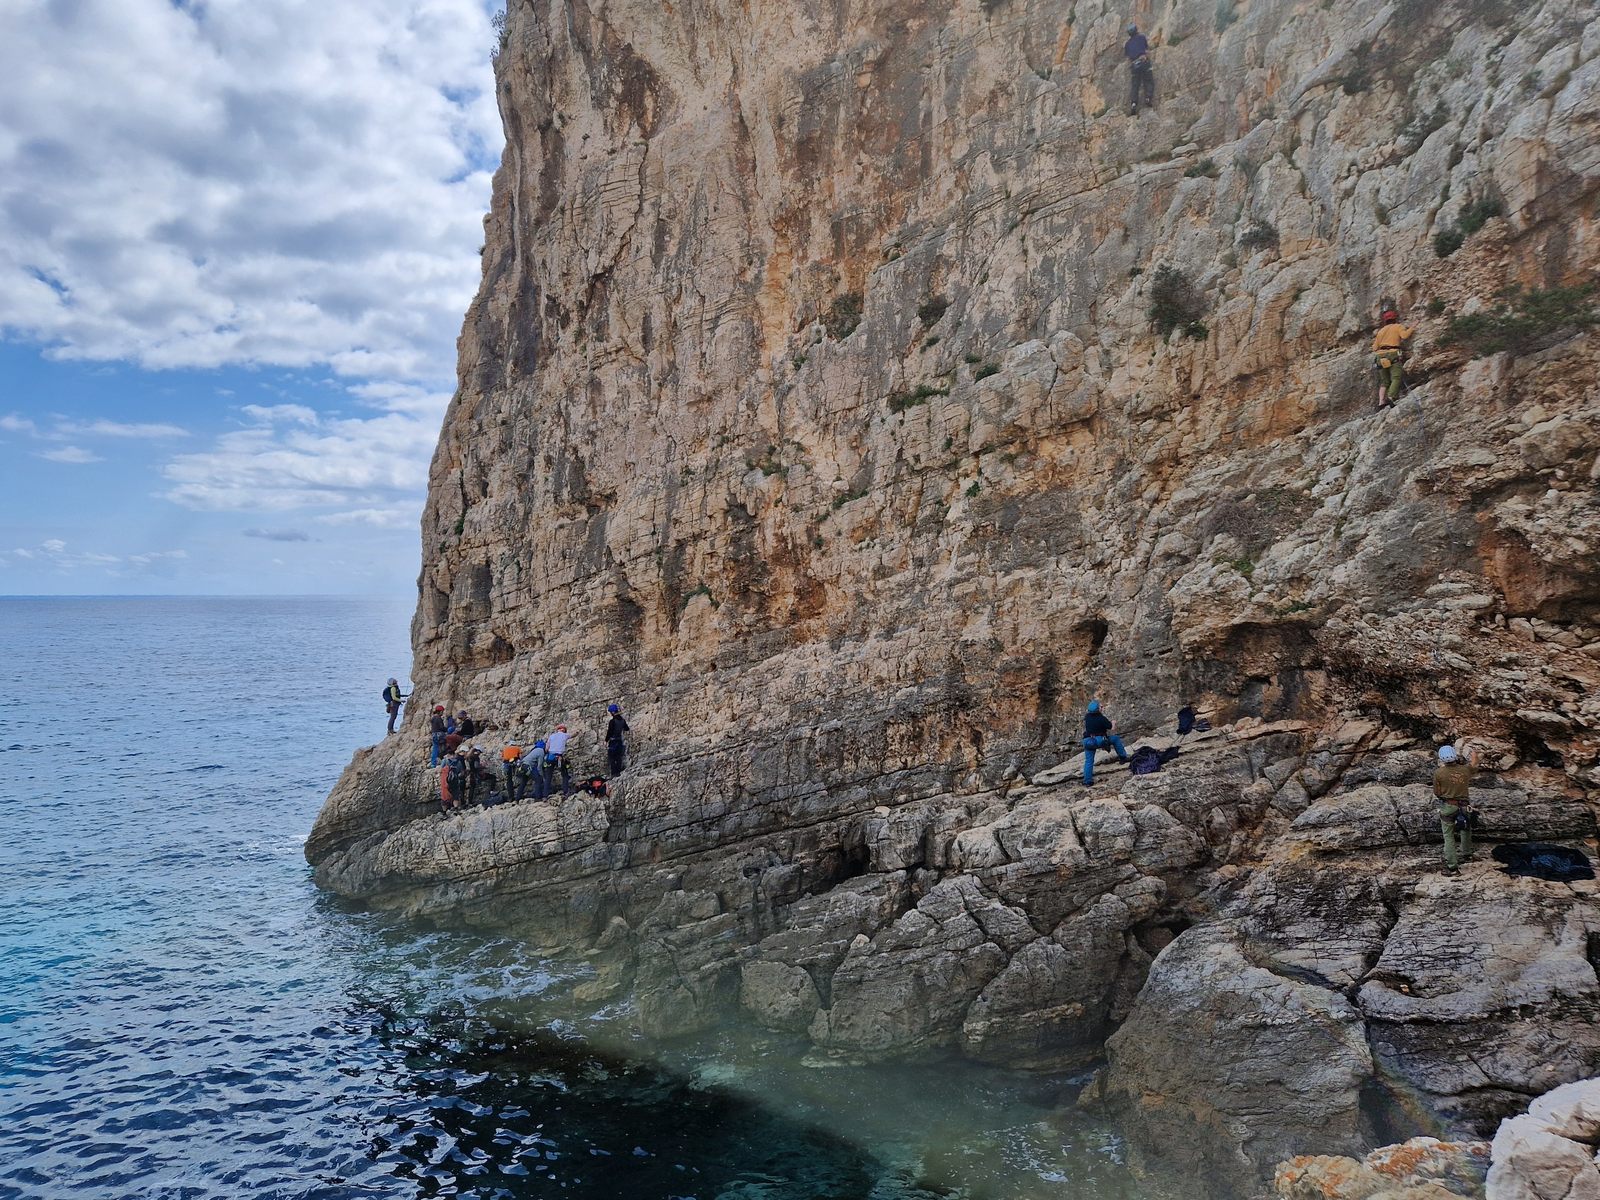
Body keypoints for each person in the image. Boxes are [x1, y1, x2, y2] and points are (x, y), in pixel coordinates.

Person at [1434, 744, 1479, 874]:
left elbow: (1437, 792)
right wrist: (1474, 753)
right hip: (1465, 806)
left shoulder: (1439, 773)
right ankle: (1467, 855)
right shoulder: (1465, 770)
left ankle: (1452, 867)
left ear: (1442, 759)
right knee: (1465, 829)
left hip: (1448, 806)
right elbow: (1475, 764)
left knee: (1448, 836)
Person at [1373, 308, 1415, 408]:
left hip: (1380, 356)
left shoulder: (1381, 331)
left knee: (1384, 381)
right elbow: (1404, 336)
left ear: (1385, 320)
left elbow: (1374, 347)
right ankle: (1391, 397)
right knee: (1396, 377)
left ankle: (1381, 402)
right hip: (1393, 353)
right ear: (1395, 318)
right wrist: (1412, 327)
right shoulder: (1398, 326)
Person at [1082, 699, 1130, 785]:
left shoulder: (1087, 717)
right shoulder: (1101, 718)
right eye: (1101, 706)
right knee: (1115, 738)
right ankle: (1123, 757)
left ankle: (1087, 781)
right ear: (1098, 709)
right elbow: (1112, 728)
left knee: (1089, 761)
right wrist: (1113, 722)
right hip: (1099, 740)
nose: (1102, 707)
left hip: (1087, 741)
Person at [1124, 23, 1155, 116]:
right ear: (1136, 30)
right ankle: (1148, 98)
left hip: (1134, 65)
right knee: (1148, 80)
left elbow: (1128, 56)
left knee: (1135, 85)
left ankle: (1133, 104)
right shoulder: (1142, 37)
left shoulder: (1127, 44)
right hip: (1143, 61)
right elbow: (1146, 48)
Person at [544, 723, 573, 798]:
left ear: (558, 729)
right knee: (564, 774)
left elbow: (546, 748)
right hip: (559, 757)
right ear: (564, 730)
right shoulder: (564, 735)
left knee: (548, 777)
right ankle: (565, 792)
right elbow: (572, 735)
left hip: (550, 757)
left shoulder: (552, 736)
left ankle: (545, 795)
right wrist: (578, 732)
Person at [605, 703, 630, 777]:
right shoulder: (622, 720)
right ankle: (618, 773)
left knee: (612, 758)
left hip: (613, 742)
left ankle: (613, 774)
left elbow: (609, 732)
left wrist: (606, 740)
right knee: (619, 758)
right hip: (619, 741)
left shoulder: (612, 721)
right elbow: (627, 728)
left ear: (612, 712)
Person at [439, 747, 466, 814]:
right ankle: (456, 809)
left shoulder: (445, 761)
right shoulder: (458, 762)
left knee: (444, 796)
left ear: (448, 754)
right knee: (455, 795)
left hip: (445, 782)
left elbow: (440, 770)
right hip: (455, 781)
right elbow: (461, 772)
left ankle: (444, 812)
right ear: (454, 754)